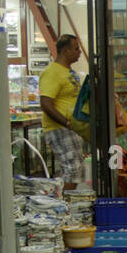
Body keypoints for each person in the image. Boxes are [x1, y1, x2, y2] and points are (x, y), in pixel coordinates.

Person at [39, 34, 89, 185]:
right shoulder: (52, 73)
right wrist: (66, 122)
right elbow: (46, 103)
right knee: (73, 169)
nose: (79, 52)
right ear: (65, 51)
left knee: (77, 170)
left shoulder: (69, 72)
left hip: (72, 127)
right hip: (59, 127)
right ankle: (63, 205)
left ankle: (66, 201)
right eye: (76, 48)